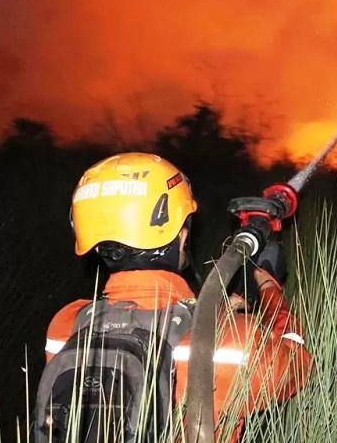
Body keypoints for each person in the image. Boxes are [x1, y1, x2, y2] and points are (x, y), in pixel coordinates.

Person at [34, 152, 312, 442]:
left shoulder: (65, 327)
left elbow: (145, 324)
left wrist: (216, 309)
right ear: (181, 236)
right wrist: (268, 283)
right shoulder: (233, 345)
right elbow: (298, 364)